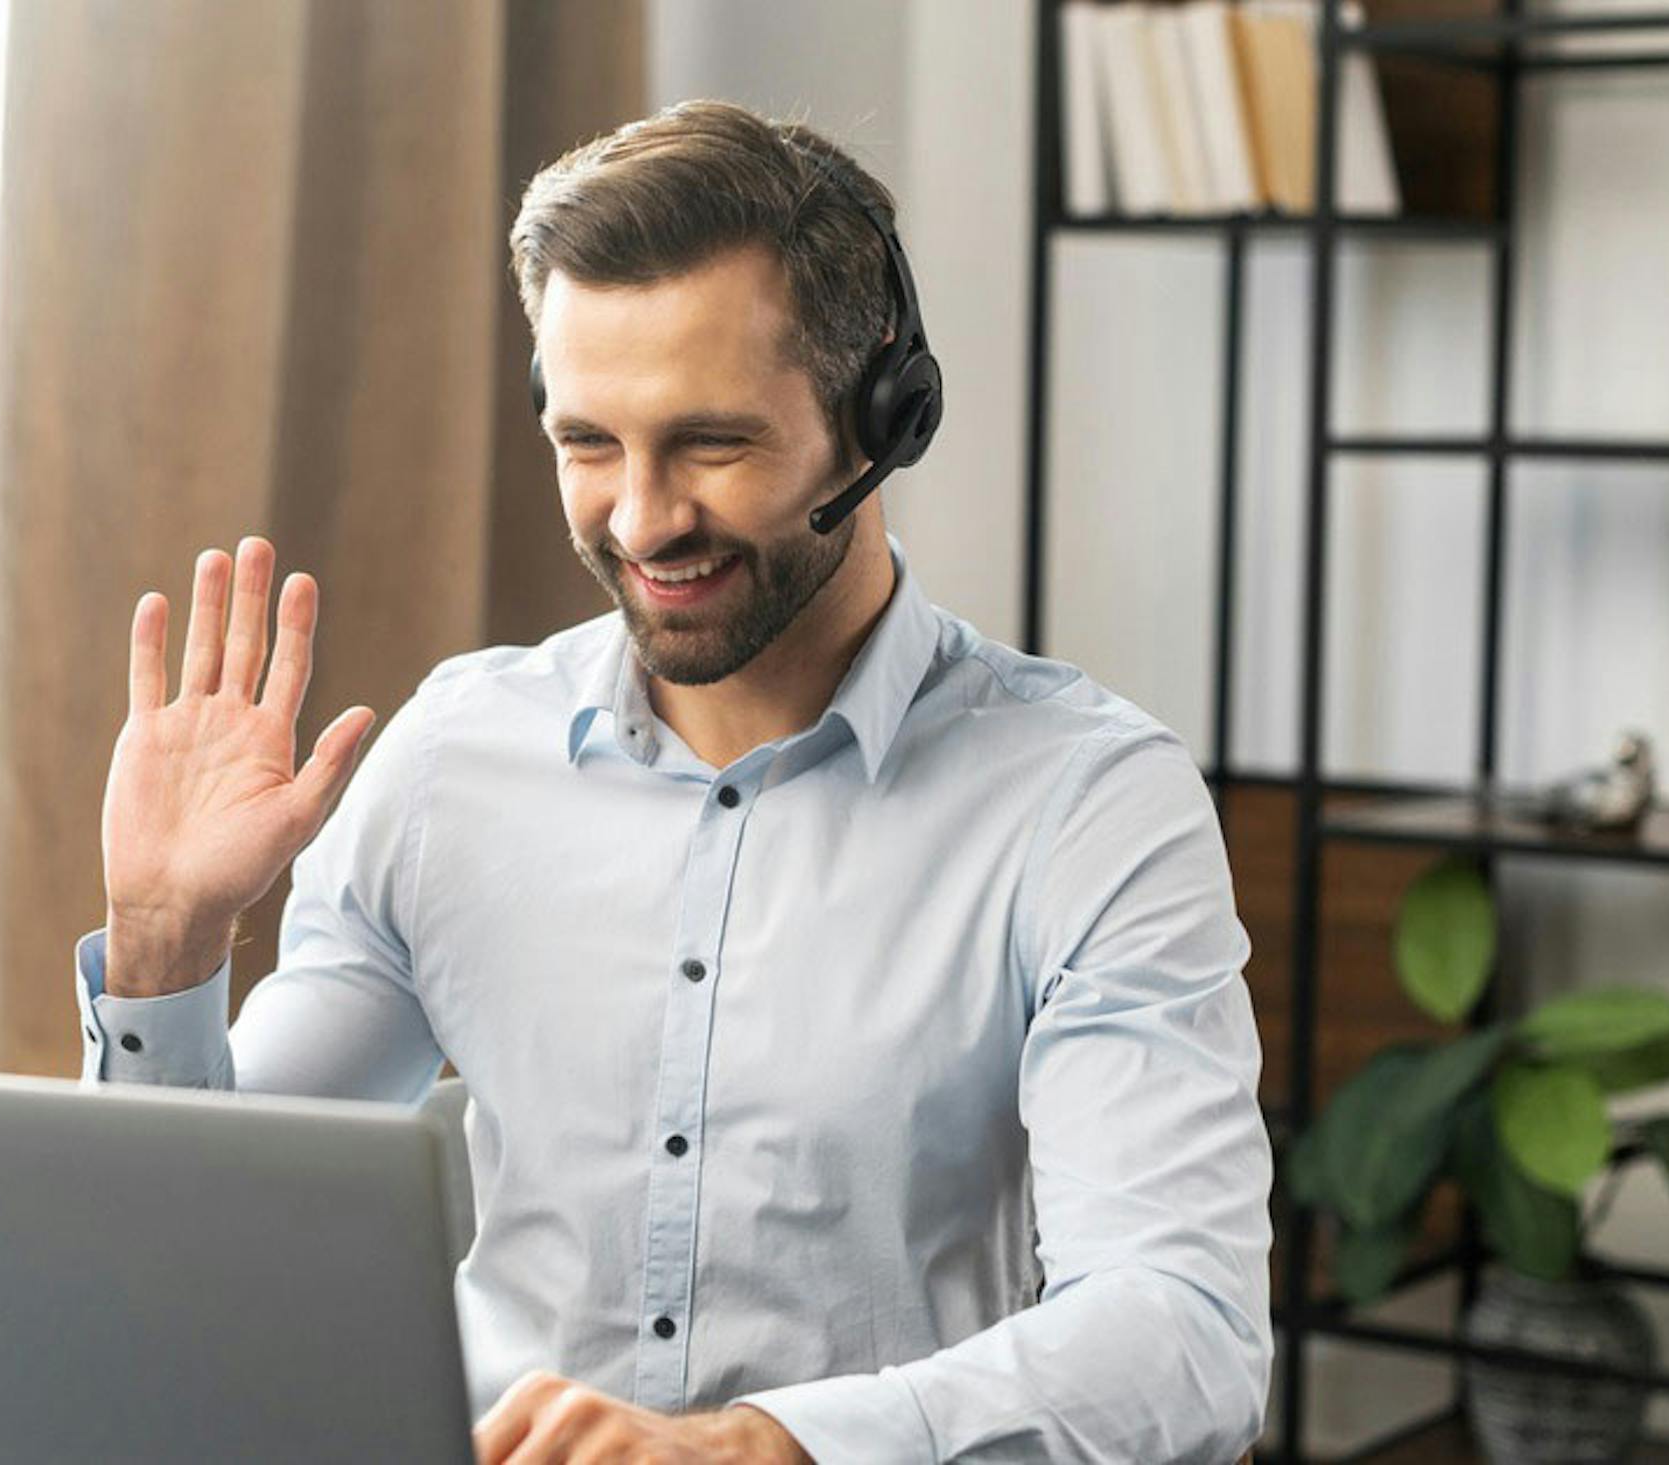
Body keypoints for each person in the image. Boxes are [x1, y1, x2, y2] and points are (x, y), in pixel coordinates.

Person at [74, 99, 1270, 1464]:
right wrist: (170, 946)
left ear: (884, 415)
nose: (642, 519)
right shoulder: (455, 759)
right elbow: (206, 1239)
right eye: (589, 444)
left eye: (710, 444)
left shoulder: (1088, 802)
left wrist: (766, 1445)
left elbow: (1183, 1330)